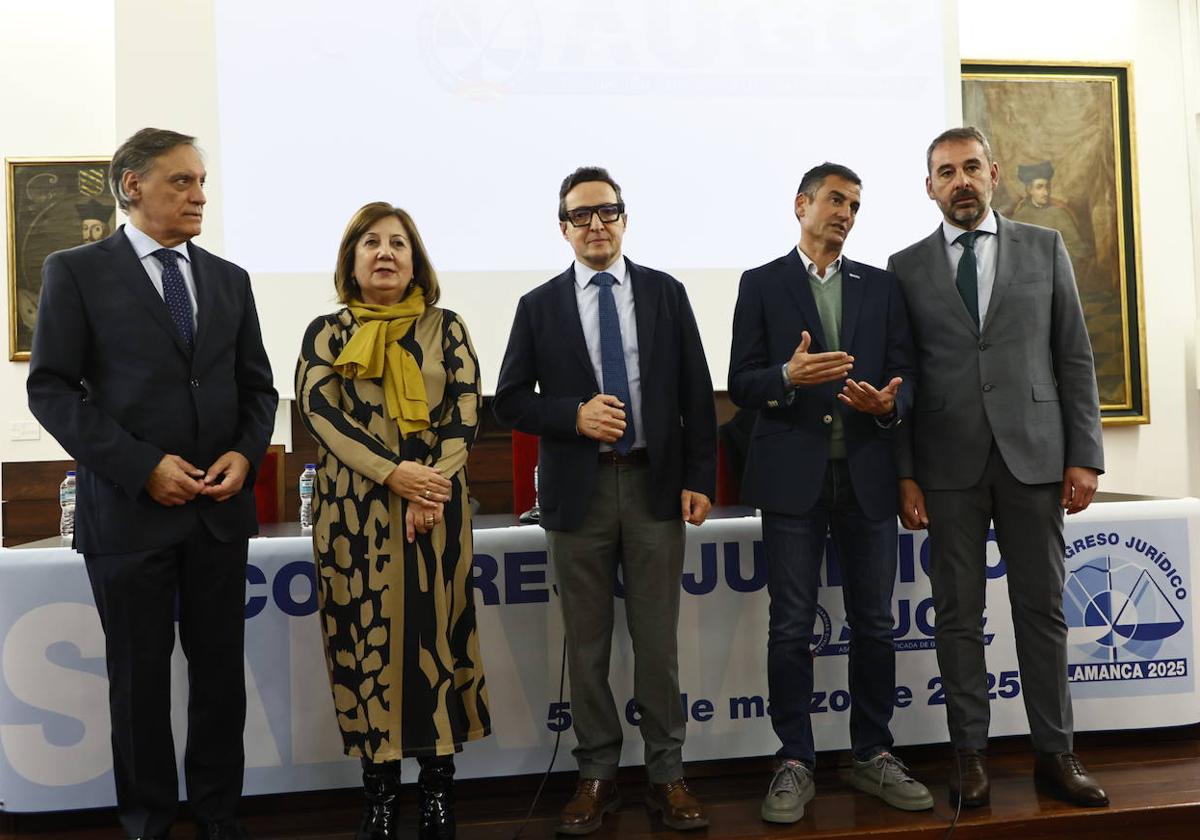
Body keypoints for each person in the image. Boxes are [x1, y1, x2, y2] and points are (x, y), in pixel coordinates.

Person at [26, 127, 278, 840]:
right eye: (182, 182)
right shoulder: (75, 271)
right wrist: (144, 468)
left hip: (218, 514)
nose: (200, 195)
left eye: (202, 182)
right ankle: (148, 824)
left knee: (220, 683)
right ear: (132, 186)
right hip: (131, 515)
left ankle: (219, 819)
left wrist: (245, 456)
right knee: (138, 687)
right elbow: (51, 389)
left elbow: (257, 391)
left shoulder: (230, 279)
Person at [887, 127, 1108, 809]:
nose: (961, 181)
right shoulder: (905, 266)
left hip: (1035, 458)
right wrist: (905, 472)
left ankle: (1055, 755)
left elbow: (1073, 354)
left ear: (995, 174)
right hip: (946, 463)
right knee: (957, 617)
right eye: (946, 172)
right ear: (929, 186)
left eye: (972, 168)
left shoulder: (1045, 247)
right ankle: (970, 759)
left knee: (1041, 612)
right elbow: (901, 379)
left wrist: (1085, 453)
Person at [493, 166, 717, 834]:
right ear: (563, 227)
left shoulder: (665, 294)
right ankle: (595, 773)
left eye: (607, 212)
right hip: (578, 493)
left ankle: (667, 774)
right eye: (581, 215)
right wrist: (574, 415)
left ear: (624, 219)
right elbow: (509, 401)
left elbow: (696, 396)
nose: (596, 224)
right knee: (586, 647)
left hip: (653, 485)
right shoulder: (538, 306)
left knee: (657, 645)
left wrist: (699, 477)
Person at [729, 163, 929, 824]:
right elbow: (742, 382)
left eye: (855, 205)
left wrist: (885, 405)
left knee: (875, 623)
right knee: (791, 628)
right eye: (835, 201)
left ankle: (873, 753)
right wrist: (786, 374)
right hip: (791, 480)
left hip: (867, 475)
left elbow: (906, 377)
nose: (845, 213)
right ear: (801, 205)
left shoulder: (883, 287)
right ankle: (794, 759)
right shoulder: (761, 284)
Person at [295, 201, 490, 840]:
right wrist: (394, 475)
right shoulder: (326, 332)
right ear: (351, 260)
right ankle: (379, 792)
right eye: (371, 243)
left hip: (435, 513)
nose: (385, 253)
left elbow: (464, 412)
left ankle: (438, 791)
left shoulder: (448, 328)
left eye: (398, 243)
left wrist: (427, 489)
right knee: (363, 640)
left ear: (416, 260)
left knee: (436, 639)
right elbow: (321, 414)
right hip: (355, 517)